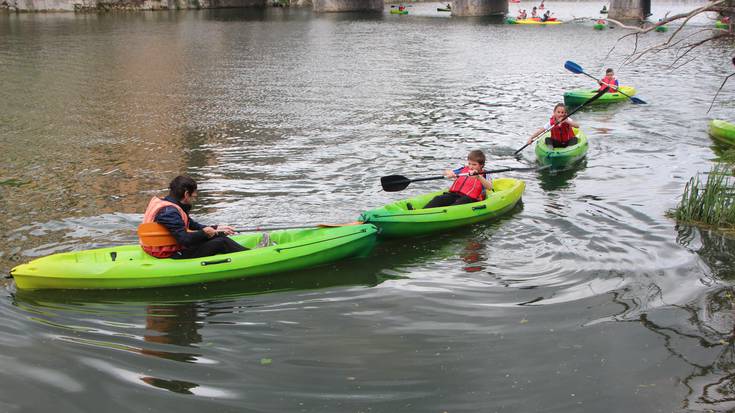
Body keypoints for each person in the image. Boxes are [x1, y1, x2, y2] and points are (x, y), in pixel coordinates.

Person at [140, 175, 247, 259]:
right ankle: (250, 255)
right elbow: (185, 240)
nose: (194, 199)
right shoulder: (169, 212)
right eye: (194, 195)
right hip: (169, 253)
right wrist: (205, 233)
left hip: (168, 247)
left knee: (218, 236)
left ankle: (245, 251)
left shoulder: (169, 204)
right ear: (186, 194)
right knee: (221, 242)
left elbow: (191, 224)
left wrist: (217, 228)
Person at [423, 150, 493, 209]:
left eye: (474, 164)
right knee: (438, 199)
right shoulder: (464, 169)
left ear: (481, 165)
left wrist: (478, 176)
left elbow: (490, 187)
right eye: (469, 163)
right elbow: (446, 172)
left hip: (470, 199)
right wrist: (449, 173)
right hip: (455, 195)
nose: (471, 167)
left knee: (459, 203)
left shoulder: (485, 174)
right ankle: (421, 212)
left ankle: (445, 214)